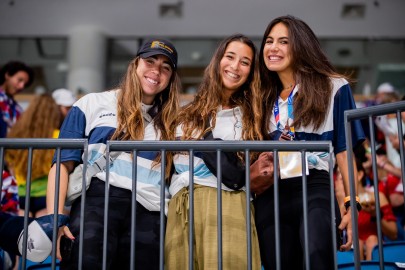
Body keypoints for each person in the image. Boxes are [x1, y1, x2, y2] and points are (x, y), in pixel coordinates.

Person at [46, 38, 181, 269]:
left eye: (165, 67)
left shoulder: (174, 122)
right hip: (97, 202)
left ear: (170, 79)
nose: (156, 71)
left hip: (152, 212)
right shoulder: (92, 103)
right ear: (135, 65)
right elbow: (61, 165)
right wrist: (55, 222)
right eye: (150, 61)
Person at [255, 15, 365, 270]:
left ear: (301, 45)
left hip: (314, 185)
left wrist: (352, 204)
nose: (273, 48)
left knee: (317, 258)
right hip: (271, 191)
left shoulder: (334, 86)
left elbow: (344, 150)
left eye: (283, 41)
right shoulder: (260, 96)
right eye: (269, 41)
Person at [164, 34, 263, 270]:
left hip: (226, 203)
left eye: (245, 62)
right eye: (230, 57)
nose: (235, 66)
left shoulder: (253, 117)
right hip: (181, 206)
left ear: (251, 72)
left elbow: (244, 171)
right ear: (218, 60)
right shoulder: (186, 114)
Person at [5, 93, 62, 218]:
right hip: (46, 196)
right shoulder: (58, 137)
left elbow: (11, 166)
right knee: (43, 235)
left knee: (22, 235)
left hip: (21, 195)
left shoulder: (16, 135)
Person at [335, 157, 397, 260]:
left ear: (359, 175)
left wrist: (375, 215)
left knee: (372, 240)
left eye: (346, 171)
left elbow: (393, 234)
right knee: (357, 243)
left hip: (374, 246)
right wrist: (341, 203)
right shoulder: (336, 202)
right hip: (348, 250)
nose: (342, 177)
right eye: (339, 173)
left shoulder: (377, 197)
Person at [0, 61, 34, 138]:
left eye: (25, 84)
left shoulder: (17, 108)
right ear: (7, 75)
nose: (21, 86)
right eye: (20, 80)